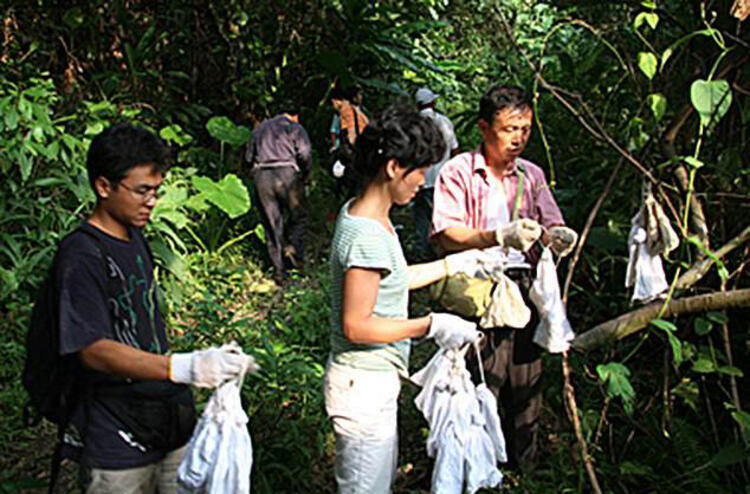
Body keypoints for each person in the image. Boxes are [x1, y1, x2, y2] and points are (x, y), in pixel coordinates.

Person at [54, 123, 256, 493]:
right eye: (141, 191)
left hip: (165, 421)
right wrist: (184, 366)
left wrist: (206, 364)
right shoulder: (80, 255)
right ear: (103, 187)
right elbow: (92, 349)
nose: (151, 201)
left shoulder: (135, 238)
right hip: (115, 437)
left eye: (156, 191)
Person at [323, 105, 497, 494]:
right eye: (418, 170)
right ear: (393, 168)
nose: (423, 180)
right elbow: (357, 324)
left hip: (370, 381)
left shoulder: (366, 215)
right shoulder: (368, 234)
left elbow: (393, 280)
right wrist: (431, 325)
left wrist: (454, 264)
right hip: (362, 386)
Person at [431, 85, 578, 470]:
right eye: (510, 129)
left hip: (523, 288)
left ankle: (523, 466)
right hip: (476, 289)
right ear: (484, 127)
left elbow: (551, 222)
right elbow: (447, 233)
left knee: (526, 378)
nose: (519, 138)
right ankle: (476, 465)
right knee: (481, 378)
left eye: (526, 129)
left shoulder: (532, 175)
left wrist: (556, 238)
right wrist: (496, 236)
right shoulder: (458, 172)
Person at [245, 102, 312, 283]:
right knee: (299, 217)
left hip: (262, 177)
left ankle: (279, 272)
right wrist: (305, 175)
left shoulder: (260, 129)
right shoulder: (295, 128)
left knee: (272, 223)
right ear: (295, 115)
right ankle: (292, 251)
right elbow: (305, 154)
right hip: (287, 174)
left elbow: (248, 157)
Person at [413, 87, 459, 259]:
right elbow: (455, 149)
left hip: (419, 179)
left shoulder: (414, 124)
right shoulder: (445, 122)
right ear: (433, 102)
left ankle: (424, 250)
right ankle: (442, 250)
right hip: (442, 178)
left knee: (422, 216)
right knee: (440, 216)